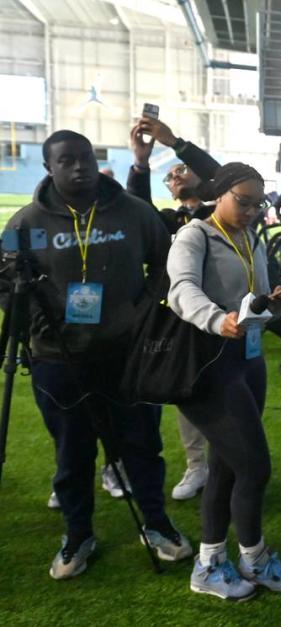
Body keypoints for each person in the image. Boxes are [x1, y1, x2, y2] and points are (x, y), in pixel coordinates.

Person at [8, 129, 192, 579]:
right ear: (49, 167)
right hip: (57, 357)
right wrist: (32, 319)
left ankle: (157, 524)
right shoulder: (24, 223)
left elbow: (167, 263)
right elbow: (5, 280)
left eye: (85, 158)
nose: (78, 167)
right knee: (72, 453)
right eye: (67, 160)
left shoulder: (134, 213)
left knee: (141, 446)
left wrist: (143, 308)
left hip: (127, 355)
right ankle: (78, 535)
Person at [167, 162, 281, 600]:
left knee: (226, 465)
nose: (250, 211)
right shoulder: (195, 235)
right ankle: (255, 558)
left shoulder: (249, 239)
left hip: (248, 362)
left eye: (257, 204)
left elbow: (251, 301)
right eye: (242, 201)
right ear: (219, 194)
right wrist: (216, 318)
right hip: (209, 368)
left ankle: (210, 562)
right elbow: (180, 290)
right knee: (253, 465)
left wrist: (271, 306)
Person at [129, 116, 222, 501]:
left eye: (183, 169)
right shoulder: (165, 222)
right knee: (184, 390)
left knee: (223, 388)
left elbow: (222, 175)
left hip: (218, 313)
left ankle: (225, 463)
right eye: (171, 175)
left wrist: (175, 142)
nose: (177, 175)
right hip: (172, 318)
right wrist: (140, 162)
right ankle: (197, 465)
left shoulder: (219, 213)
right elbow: (134, 207)